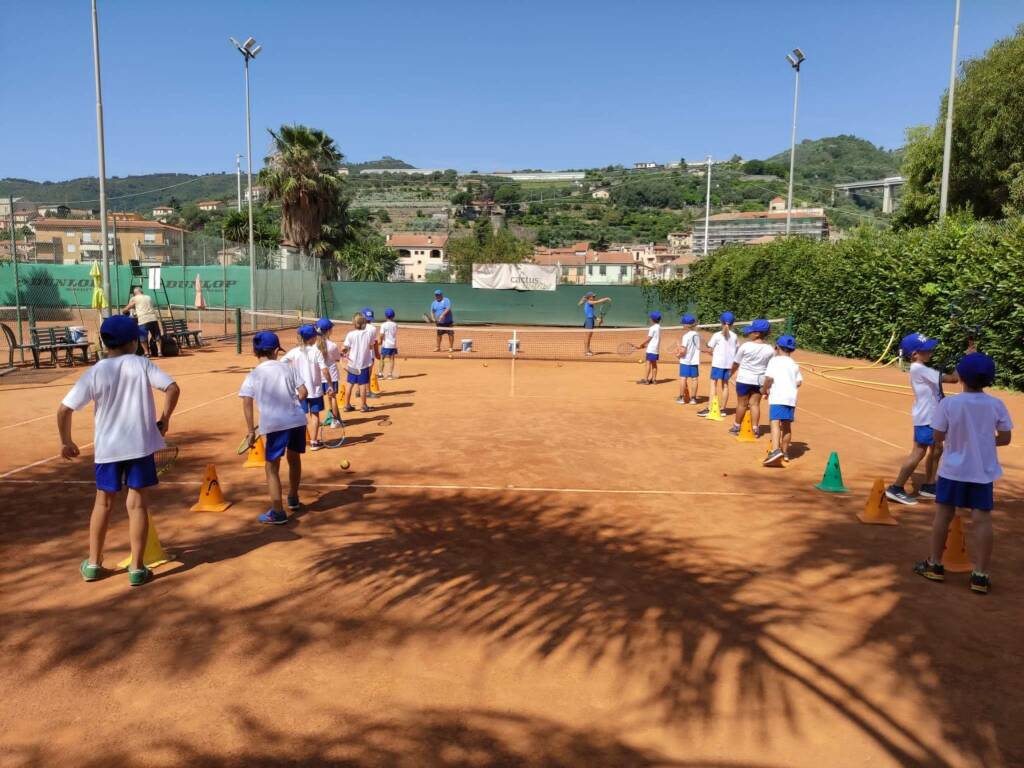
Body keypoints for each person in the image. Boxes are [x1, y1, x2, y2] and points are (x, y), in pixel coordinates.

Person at [57, 315, 180, 587]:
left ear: (103, 342)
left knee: (103, 503)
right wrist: (165, 419)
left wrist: (66, 441)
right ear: (135, 341)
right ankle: (137, 569)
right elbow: (172, 388)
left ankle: (93, 564)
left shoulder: (95, 371)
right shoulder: (142, 363)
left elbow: (64, 409)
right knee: (137, 504)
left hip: (107, 449)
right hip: (139, 447)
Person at [913, 352, 1013, 594]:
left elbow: (938, 436)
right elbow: (1005, 438)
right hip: (982, 473)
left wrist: (958, 439)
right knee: (982, 520)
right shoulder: (996, 404)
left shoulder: (950, 404)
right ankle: (980, 575)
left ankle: (934, 564)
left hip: (953, 471)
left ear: (962, 377)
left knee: (943, 516)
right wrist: (983, 444)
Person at [240, 331, 308, 524]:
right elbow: (303, 392)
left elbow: (246, 401)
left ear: (255, 352)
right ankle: (293, 498)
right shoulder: (288, 368)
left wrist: (251, 431)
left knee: (272, 467)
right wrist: (292, 402)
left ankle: (277, 512)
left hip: (275, 425)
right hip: (297, 421)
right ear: (277, 350)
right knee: (294, 459)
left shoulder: (254, 374)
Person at [886, 333, 960, 506]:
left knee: (936, 448)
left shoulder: (921, 369)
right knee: (919, 452)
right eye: (926, 350)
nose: (931, 352)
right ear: (914, 355)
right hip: (927, 417)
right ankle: (896, 487)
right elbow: (954, 379)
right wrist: (965, 361)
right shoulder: (920, 369)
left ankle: (929, 485)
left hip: (933, 416)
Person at [283, 325, 330, 451]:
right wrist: (330, 385)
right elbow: (324, 370)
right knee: (315, 415)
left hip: (299, 391)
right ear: (312, 338)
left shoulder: (294, 352)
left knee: (299, 416)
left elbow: (282, 363)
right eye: (315, 336)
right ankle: (314, 442)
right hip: (315, 391)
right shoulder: (316, 352)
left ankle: (295, 441)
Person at [729, 318, 774, 437]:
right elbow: (770, 368)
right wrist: (768, 386)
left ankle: (736, 427)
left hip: (743, 379)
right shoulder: (770, 349)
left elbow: (736, 363)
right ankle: (755, 429)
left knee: (742, 404)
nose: (749, 333)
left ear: (757, 333)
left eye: (751, 331)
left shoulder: (745, 346)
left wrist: (730, 373)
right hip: (759, 380)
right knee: (755, 404)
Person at [761, 334, 802, 464]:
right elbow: (799, 382)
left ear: (777, 347)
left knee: (774, 422)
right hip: (790, 398)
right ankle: (785, 453)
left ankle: (775, 450)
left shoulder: (774, 361)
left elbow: (769, 379)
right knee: (786, 425)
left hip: (778, 396)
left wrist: (764, 389)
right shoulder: (794, 364)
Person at [698, 311, 738, 417]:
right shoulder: (734, 336)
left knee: (713, 384)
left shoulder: (716, 335)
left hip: (717, 365)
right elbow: (736, 350)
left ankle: (710, 408)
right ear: (733, 323)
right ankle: (723, 409)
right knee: (725, 386)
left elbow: (710, 349)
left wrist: (707, 351)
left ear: (721, 322)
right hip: (729, 365)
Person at [342, 313, 377, 413]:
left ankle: (346, 405)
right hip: (363, 364)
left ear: (354, 323)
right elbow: (371, 346)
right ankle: (363, 406)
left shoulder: (350, 334)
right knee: (362, 385)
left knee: (350, 384)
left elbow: (345, 348)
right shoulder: (368, 334)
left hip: (352, 364)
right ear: (364, 323)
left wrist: (343, 354)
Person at [315, 317, 344, 429]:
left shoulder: (314, 345)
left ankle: (332, 417)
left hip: (320, 376)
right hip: (331, 376)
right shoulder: (332, 345)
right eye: (331, 328)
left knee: (328, 397)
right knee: (333, 398)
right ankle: (335, 421)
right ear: (328, 331)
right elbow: (337, 358)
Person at [123, 286, 161, 357]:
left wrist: (124, 310)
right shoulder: (148, 297)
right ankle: (159, 351)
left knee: (143, 337)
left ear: (135, 293)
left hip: (143, 319)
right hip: (153, 318)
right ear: (141, 292)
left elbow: (128, 308)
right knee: (156, 336)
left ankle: (146, 353)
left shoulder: (135, 298)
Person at [675, 314, 701, 404]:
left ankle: (681, 398)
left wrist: (678, 354)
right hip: (694, 361)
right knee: (694, 379)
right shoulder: (697, 335)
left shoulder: (685, 336)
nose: (682, 325)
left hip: (685, 361)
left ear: (687, 325)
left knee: (683, 378)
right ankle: (693, 399)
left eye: (683, 323)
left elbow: (684, 351)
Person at [578, 291, 611, 356]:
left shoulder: (590, 304)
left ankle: (588, 350)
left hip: (591, 320)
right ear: (589, 297)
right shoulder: (589, 302)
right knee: (587, 337)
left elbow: (591, 314)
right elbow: (598, 302)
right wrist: (606, 298)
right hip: (589, 321)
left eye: (594, 296)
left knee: (589, 337)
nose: (594, 297)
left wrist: (597, 319)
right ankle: (586, 351)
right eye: (593, 296)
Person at [636, 311, 662, 385]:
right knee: (654, 364)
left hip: (651, 349)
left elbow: (649, 339)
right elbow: (654, 339)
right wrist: (644, 346)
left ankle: (646, 380)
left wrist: (641, 345)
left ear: (652, 319)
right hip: (656, 348)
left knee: (648, 363)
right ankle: (654, 380)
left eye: (650, 317)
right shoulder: (659, 327)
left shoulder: (652, 328)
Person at [363, 308, 382, 398]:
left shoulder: (358, 327)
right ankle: (368, 392)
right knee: (367, 374)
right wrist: (377, 354)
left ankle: (359, 391)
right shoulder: (373, 329)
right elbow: (374, 343)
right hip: (369, 354)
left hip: (359, 354)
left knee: (360, 373)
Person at [379, 307, 399, 379]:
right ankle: (390, 374)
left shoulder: (383, 325)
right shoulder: (395, 325)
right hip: (393, 345)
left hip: (385, 345)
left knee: (382, 358)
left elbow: (381, 335)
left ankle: (380, 374)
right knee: (392, 359)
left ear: (385, 316)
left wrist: (380, 341)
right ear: (393, 316)